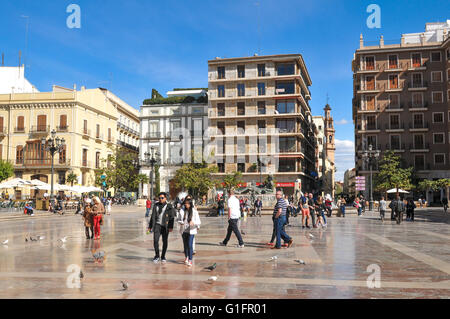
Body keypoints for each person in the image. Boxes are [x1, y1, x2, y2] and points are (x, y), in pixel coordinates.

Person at [147, 192, 176, 263]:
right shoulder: (155, 205)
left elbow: (171, 217)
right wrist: (150, 226)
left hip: (165, 226)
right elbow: (152, 217)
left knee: (165, 241)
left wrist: (171, 227)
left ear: (165, 198)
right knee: (155, 241)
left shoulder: (169, 206)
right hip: (157, 225)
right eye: (159, 198)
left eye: (162, 198)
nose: (160, 199)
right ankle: (157, 255)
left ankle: (163, 256)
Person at [177, 198, 201, 267]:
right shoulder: (182, 211)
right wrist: (180, 222)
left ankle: (190, 260)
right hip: (184, 230)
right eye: (185, 203)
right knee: (185, 245)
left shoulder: (194, 211)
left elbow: (199, 222)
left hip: (191, 230)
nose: (186, 205)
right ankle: (186, 257)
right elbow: (178, 219)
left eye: (187, 204)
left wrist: (194, 223)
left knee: (190, 245)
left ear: (190, 204)